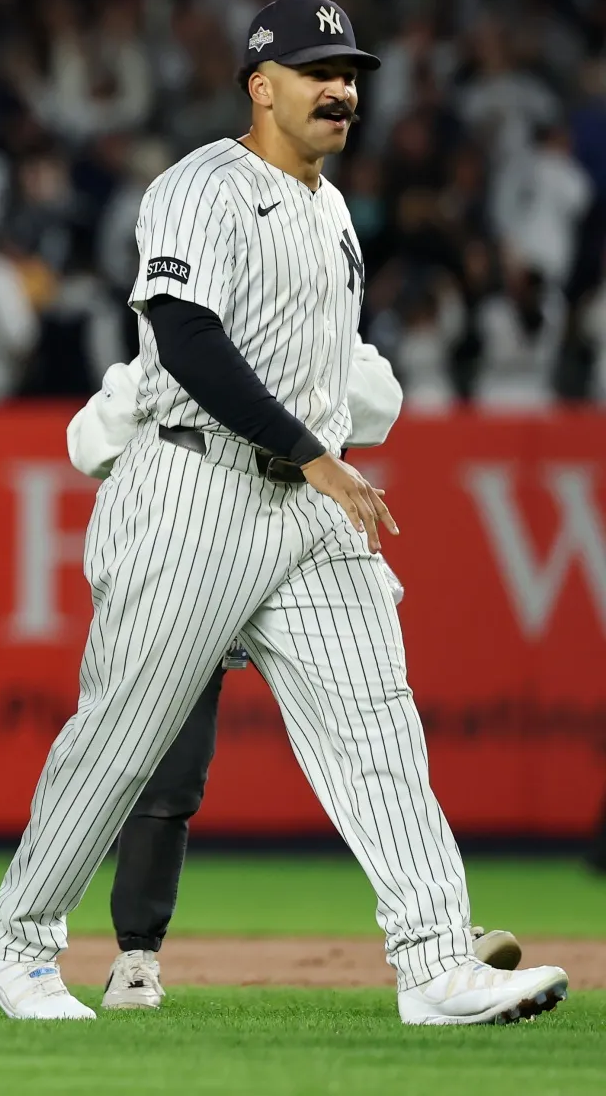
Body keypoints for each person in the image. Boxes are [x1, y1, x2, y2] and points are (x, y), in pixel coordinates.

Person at [0, 0, 568, 1026]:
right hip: (192, 488)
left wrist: (316, 459)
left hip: (303, 509)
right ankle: (13, 945)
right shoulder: (198, 187)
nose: (340, 90)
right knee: (121, 737)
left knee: (375, 722)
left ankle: (433, 962)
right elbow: (187, 341)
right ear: (259, 84)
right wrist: (314, 454)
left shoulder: (330, 209)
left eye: (348, 73)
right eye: (315, 70)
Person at [65, 350, 524, 1010]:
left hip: (300, 539)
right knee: (168, 767)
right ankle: (135, 959)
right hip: (192, 540)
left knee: (370, 744)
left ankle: (436, 940)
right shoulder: (180, 349)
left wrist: (275, 400)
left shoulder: (318, 342)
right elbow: (86, 442)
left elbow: (382, 399)